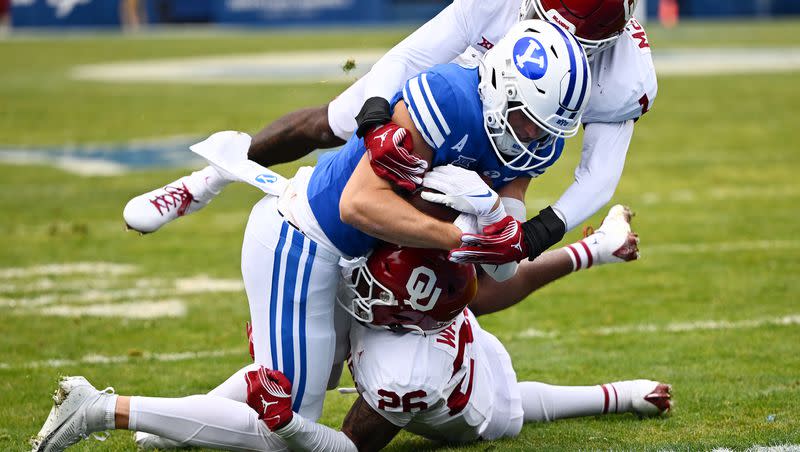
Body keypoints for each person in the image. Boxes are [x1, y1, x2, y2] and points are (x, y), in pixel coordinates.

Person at [124, 18, 590, 431]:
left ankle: (168, 426)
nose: (537, 138)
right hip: (307, 238)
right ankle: (109, 411)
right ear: (499, 86)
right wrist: (463, 236)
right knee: (285, 425)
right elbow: (357, 205)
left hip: (362, 262)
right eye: (527, 122)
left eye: (549, 129)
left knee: (295, 386)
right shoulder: (449, 100)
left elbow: (501, 268)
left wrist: (493, 218)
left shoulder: (537, 140)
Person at [122, 0, 657, 268]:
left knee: (488, 267)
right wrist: (377, 119)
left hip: (516, 135)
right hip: (461, 84)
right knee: (334, 122)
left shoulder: (626, 74)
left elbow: (598, 174)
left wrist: (540, 232)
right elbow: (414, 54)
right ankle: (205, 181)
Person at [31, 237, 668, 452]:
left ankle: (114, 412)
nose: (360, 276)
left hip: (466, 407)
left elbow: (345, 448)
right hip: (452, 348)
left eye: (373, 281)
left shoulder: (406, 369)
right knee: (282, 366)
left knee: (279, 418)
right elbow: (504, 279)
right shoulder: (424, 284)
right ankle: (167, 422)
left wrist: (293, 428)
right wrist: (591, 251)